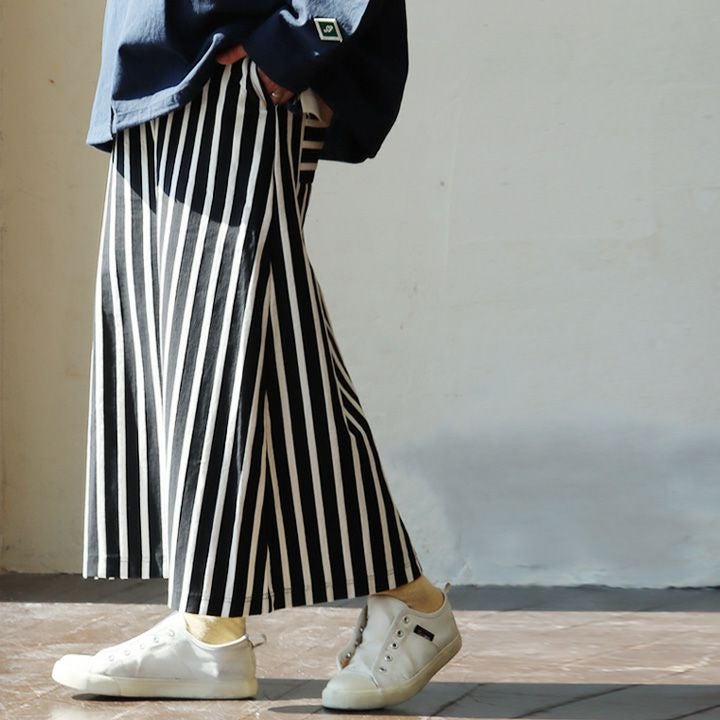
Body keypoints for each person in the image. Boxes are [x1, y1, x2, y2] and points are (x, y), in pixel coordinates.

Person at [51, 0, 462, 710]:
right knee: (219, 349)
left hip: (231, 65)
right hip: (156, 69)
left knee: (231, 341)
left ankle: (402, 603)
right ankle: (209, 627)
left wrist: (301, 33)